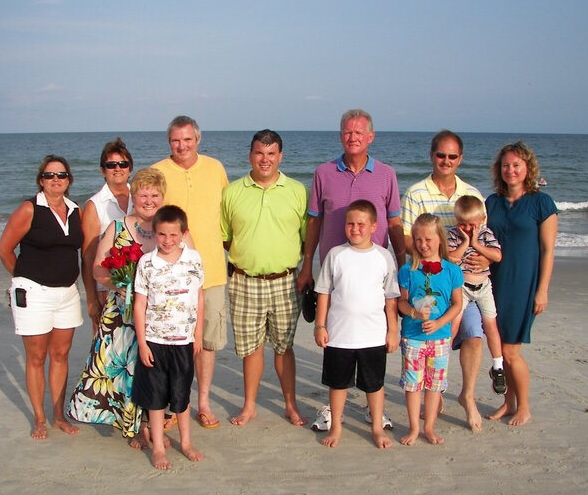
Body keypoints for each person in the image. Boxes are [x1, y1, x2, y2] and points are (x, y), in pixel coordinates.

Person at [297, 109, 406, 432]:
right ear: (340, 135)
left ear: (370, 136)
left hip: (374, 275)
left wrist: (401, 263)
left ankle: (376, 413)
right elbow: (314, 220)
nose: (353, 137)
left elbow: (396, 222)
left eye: (359, 132)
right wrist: (307, 265)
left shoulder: (386, 174)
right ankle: (334, 411)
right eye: (347, 132)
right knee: (335, 343)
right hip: (335, 275)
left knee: (374, 344)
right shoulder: (323, 172)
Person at [66, 168, 166, 449]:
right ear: (133, 195)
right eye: (143, 194)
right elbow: (98, 267)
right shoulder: (117, 227)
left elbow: (190, 263)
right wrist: (118, 284)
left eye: (154, 194)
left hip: (159, 315)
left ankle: (150, 424)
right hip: (121, 313)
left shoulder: (169, 228)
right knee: (126, 370)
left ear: (162, 197)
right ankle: (132, 426)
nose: (149, 200)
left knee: (155, 369)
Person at [400, 129, 488, 431]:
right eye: (441, 155)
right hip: (429, 281)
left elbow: (485, 235)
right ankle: (427, 403)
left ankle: (469, 397)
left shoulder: (473, 194)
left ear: (460, 158)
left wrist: (486, 258)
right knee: (431, 338)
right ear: (432, 155)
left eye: (452, 156)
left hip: (466, 280)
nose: (446, 161)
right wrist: (435, 260)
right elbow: (409, 241)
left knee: (474, 336)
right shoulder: (415, 193)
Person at [220, 130, 307, 427]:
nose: (265, 159)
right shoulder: (232, 192)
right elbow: (225, 237)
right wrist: (251, 256)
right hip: (244, 281)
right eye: (259, 153)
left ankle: (290, 405)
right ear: (250, 155)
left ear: (280, 156)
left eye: (271, 154)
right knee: (251, 348)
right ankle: (249, 406)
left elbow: (306, 238)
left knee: (284, 346)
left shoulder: (297, 191)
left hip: (285, 281)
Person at [0, 155, 83, 440]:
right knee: (37, 357)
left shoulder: (75, 210)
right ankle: (40, 418)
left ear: (69, 180)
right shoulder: (28, 209)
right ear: (40, 180)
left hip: (68, 294)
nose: (55, 180)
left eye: (61, 175)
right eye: (49, 175)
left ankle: (58, 416)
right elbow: (4, 249)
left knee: (60, 355)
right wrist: (23, 278)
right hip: (34, 294)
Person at [151, 116, 228, 430]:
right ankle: (170, 405)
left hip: (211, 272)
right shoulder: (158, 172)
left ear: (198, 139)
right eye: (175, 140)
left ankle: (204, 402)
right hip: (170, 276)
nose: (181, 146)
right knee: (170, 341)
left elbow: (225, 216)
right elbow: (147, 215)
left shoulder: (215, 168)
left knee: (207, 341)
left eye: (187, 139)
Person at [313, 200, 400, 448]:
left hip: (373, 335)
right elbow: (324, 292)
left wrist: (392, 330)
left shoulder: (383, 257)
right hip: (340, 335)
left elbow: (391, 298)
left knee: (374, 384)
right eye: (350, 223)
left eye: (361, 224)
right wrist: (320, 326)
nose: (355, 228)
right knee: (338, 383)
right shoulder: (336, 255)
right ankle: (337, 426)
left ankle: (376, 428)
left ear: (373, 226)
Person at [484, 141, 557, 426]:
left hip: (523, 283)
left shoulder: (542, 203)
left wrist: (542, 290)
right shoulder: (492, 202)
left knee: (512, 351)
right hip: (494, 282)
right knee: (499, 350)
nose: (510, 170)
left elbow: (548, 250)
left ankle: (524, 406)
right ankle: (508, 403)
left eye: (516, 165)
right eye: (506, 165)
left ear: (527, 168)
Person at [132, 205, 204, 470]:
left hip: (183, 341)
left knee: (181, 395)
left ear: (183, 234)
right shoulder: (147, 263)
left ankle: (185, 442)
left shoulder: (193, 259)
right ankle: (159, 447)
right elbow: (139, 304)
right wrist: (142, 343)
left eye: (173, 235)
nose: (167, 240)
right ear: (154, 233)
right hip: (155, 341)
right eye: (162, 234)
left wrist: (198, 333)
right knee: (155, 397)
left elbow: (199, 296)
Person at [398, 213, 463, 445]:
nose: (423, 245)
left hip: (440, 337)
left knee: (434, 384)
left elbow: (457, 304)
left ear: (439, 240)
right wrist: (414, 313)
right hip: (413, 337)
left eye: (428, 240)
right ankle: (414, 427)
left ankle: (429, 427)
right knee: (413, 383)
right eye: (418, 240)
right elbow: (401, 303)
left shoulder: (452, 271)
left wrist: (440, 322)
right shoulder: (407, 270)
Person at [447, 195, 506, 394]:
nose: (468, 229)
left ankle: (498, 366)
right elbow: (450, 258)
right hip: (462, 288)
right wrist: (465, 241)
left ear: (481, 220)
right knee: (454, 323)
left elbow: (497, 256)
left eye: (472, 225)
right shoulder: (454, 235)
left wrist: (477, 244)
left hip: (483, 287)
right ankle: (441, 363)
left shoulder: (486, 234)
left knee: (491, 325)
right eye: (462, 224)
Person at [81, 138, 133, 335]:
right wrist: (92, 299)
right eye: (111, 165)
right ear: (103, 170)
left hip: (138, 287)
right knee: (108, 348)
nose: (117, 168)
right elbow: (87, 256)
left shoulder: (142, 198)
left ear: (130, 168)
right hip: (106, 288)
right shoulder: (95, 205)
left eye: (123, 164)